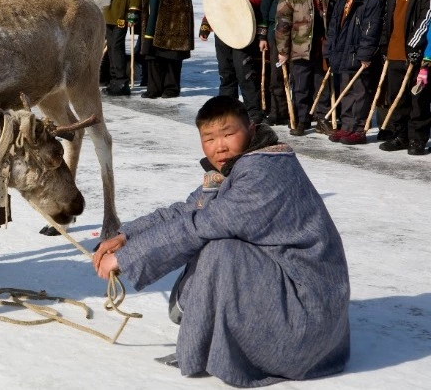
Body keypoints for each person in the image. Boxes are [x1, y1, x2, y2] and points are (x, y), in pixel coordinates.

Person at [93, 95, 350, 388]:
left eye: (228, 134)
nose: (220, 146)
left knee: (221, 248)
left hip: (309, 323)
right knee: (213, 237)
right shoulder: (240, 167)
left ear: (251, 130)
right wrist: (126, 237)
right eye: (209, 138)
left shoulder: (264, 173)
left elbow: (201, 225)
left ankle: (219, 345)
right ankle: (208, 337)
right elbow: (187, 210)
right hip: (297, 303)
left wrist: (125, 259)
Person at [199, 0, 267, 124]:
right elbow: (214, 0)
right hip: (223, 28)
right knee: (226, 72)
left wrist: (238, 1)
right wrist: (206, 25)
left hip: (244, 27)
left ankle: (253, 112)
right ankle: (227, 111)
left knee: (245, 72)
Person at [323, 0, 386, 145]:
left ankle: (358, 129)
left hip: (359, 54)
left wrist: (365, 54)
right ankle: (347, 126)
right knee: (345, 90)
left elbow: (371, 30)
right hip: (342, 52)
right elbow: (334, 26)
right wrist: (330, 50)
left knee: (360, 92)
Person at [379, 0, 431, 155]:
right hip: (395, 49)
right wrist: (384, 42)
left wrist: (414, 46)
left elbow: (427, 18)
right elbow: (388, 14)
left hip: (417, 50)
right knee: (397, 96)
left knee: (418, 98)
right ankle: (400, 135)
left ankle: (418, 138)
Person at [275, 0, 335, 136]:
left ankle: (322, 118)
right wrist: (283, 51)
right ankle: (301, 119)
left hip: (321, 49)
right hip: (300, 50)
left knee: (322, 86)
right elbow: (282, 27)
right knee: (301, 86)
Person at [138, 0, 193, 99]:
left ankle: (171, 87)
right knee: (152, 49)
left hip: (174, 4)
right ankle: (154, 87)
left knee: (171, 50)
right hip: (153, 3)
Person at [257, 0, 303, 125]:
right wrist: (262, 35)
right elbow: (264, 7)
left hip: (299, 31)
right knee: (277, 74)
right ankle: (278, 111)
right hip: (275, 31)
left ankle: (298, 112)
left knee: (297, 73)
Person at [99, 0, 145, 96]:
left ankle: (121, 81)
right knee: (110, 46)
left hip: (122, 7)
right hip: (108, 8)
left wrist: (133, 10)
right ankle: (114, 80)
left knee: (117, 44)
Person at [372, 0, 406, 140]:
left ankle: (406, 127)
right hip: (385, 31)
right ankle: (386, 124)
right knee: (384, 82)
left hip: (408, 30)